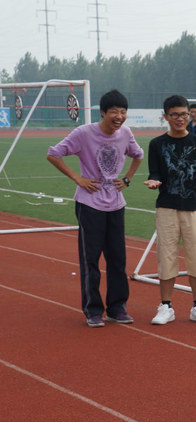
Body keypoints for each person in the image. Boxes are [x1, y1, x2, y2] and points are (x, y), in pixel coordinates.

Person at [46, 89, 144, 328]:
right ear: (102, 112)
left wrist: (127, 179)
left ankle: (117, 308)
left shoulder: (126, 133)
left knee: (117, 259)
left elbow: (138, 155)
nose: (119, 117)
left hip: (116, 204)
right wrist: (77, 178)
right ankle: (93, 310)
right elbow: (54, 154)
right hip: (89, 204)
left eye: (123, 112)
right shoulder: (84, 133)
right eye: (114, 112)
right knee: (90, 259)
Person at [144, 95, 196, 326]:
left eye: (184, 114)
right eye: (174, 115)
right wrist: (154, 181)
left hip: (193, 207)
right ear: (166, 116)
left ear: (189, 115)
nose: (180, 118)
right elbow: (154, 172)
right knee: (166, 255)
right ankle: (166, 306)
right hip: (166, 207)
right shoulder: (156, 144)